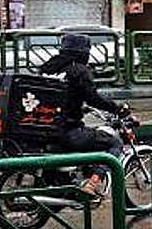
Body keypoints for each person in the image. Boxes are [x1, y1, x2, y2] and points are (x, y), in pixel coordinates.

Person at [39, 34, 129, 197]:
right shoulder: (79, 71)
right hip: (68, 131)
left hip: (45, 128)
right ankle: (92, 183)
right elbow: (93, 98)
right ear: (82, 53)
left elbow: (65, 96)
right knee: (114, 143)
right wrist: (116, 108)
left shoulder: (48, 68)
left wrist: (79, 107)